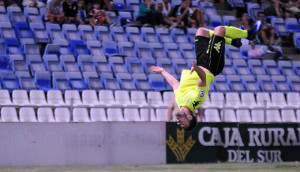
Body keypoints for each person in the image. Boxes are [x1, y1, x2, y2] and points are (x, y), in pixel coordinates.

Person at [151, 21, 263, 131]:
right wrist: (197, 69)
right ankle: (249, 34)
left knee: (201, 31)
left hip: (201, 62)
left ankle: (235, 42)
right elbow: (203, 79)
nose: (179, 123)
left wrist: (162, 72)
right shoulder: (196, 101)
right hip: (212, 65)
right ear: (190, 117)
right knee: (219, 30)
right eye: (183, 124)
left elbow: (175, 84)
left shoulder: (180, 102)